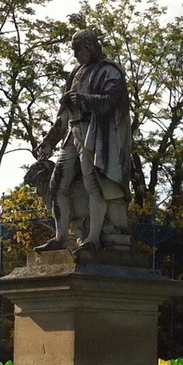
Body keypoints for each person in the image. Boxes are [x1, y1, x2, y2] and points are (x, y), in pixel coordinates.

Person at [35, 30, 133, 251]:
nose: (75, 55)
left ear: (89, 47)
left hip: (95, 134)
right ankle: (61, 238)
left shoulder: (109, 71)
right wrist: (50, 141)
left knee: (93, 184)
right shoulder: (76, 72)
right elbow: (64, 114)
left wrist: (84, 100)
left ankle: (93, 238)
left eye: (78, 50)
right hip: (73, 132)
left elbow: (111, 103)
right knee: (56, 184)